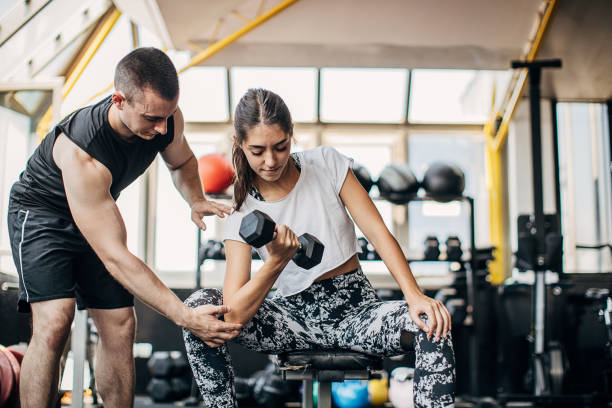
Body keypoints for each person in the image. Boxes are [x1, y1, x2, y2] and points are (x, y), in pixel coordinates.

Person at [182, 88, 456, 408]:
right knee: (199, 310)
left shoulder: (325, 163)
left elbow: (378, 232)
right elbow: (235, 314)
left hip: (358, 314)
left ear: (292, 136)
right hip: (291, 320)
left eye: (280, 147)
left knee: (433, 323)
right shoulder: (240, 212)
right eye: (257, 151)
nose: (270, 161)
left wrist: (414, 295)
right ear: (239, 143)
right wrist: (275, 263)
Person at [6, 47, 243, 408]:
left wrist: (194, 198)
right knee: (56, 321)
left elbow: (182, 163)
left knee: (120, 323)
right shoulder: (83, 151)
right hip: (41, 215)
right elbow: (115, 257)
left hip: (92, 211)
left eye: (167, 116)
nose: (162, 127)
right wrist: (186, 317)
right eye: (152, 118)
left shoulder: (165, 118)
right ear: (119, 101)